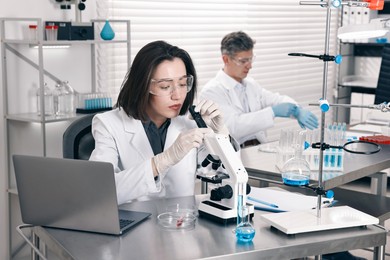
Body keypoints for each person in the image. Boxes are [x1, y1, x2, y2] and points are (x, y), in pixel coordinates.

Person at [89, 40, 231, 205]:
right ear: (142, 85)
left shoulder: (189, 122)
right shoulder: (108, 125)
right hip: (133, 226)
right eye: (165, 87)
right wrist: (162, 161)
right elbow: (98, 192)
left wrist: (221, 135)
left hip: (182, 225)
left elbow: (223, 174)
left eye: (183, 84)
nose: (177, 95)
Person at [200, 31, 319, 147]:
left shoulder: (251, 85)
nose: (250, 65)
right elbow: (232, 127)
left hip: (257, 148)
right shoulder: (211, 92)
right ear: (226, 59)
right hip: (233, 156)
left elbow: (275, 100)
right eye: (243, 61)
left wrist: (297, 110)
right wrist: (272, 112)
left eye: (251, 59)